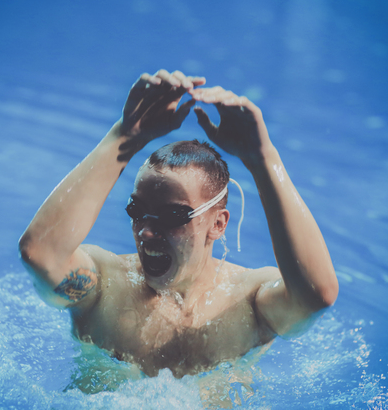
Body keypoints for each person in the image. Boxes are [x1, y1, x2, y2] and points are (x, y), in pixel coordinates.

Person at [19, 69, 339, 379]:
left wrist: (262, 158)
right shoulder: (104, 286)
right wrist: (124, 137)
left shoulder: (249, 301)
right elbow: (40, 254)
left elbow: (315, 295)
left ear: (218, 224)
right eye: (137, 210)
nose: (145, 231)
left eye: (173, 217)